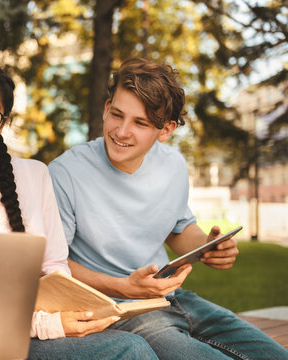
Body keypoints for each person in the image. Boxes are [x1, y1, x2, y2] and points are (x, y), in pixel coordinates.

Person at [49, 57, 288, 359]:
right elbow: (54, 265)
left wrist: (207, 246)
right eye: (117, 115)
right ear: (106, 107)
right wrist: (123, 287)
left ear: (166, 130)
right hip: (120, 310)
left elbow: (178, 229)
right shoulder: (65, 173)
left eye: (140, 123)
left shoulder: (173, 164)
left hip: (172, 297)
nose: (121, 132)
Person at [0, 62, 157, 360]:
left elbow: (55, 266)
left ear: (3, 122)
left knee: (134, 346)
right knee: (130, 350)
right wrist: (48, 325)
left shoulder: (35, 175)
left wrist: (69, 317)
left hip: (37, 335)